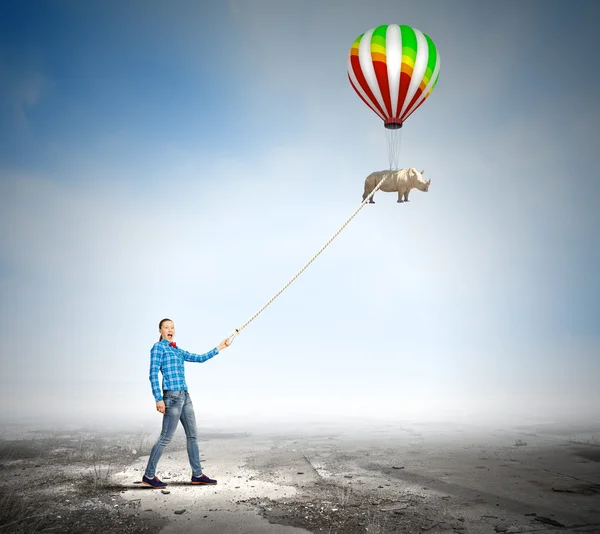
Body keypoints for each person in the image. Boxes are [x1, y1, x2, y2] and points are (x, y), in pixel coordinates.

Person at [142, 318, 231, 488]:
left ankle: (197, 475)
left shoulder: (177, 350)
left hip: (185, 397)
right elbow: (153, 374)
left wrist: (220, 347)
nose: (170, 329)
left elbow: (200, 358)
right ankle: (148, 475)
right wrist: (158, 398)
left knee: (192, 436)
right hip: (171, 397)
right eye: (166, 327)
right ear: (160, 330)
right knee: (165, 437)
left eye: (172, 327)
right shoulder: (158, 347)